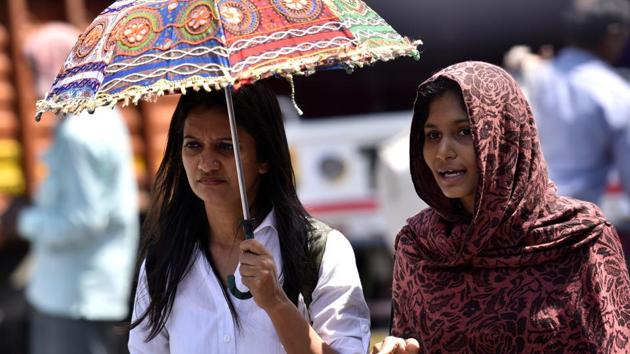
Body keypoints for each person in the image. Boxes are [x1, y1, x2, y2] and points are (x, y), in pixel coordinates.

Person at [371, 61, 630, 354]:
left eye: (464, 132)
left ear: (505, 135)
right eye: (433, 135)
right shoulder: (420, 246)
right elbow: (407, 342)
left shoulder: (580, 237)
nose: (443, 151)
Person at [128, 82, 371, 354]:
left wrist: (277, 302)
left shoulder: (321, 250)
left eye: (226, 147)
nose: (206, 163)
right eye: (193, 145)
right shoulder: (163, 262)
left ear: (264, 157)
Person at [0, 22, 140, 354]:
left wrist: (21, 221)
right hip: (76, 291)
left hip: (76, 296)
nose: (35, 82)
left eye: (38, 67)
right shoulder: (98, 117)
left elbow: (83, 220)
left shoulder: (81, 131)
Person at [522, 0, 630, 206]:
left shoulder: (533, 77)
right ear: (614, 34)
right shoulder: (617, 94)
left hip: (525, 211)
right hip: (581, 220)